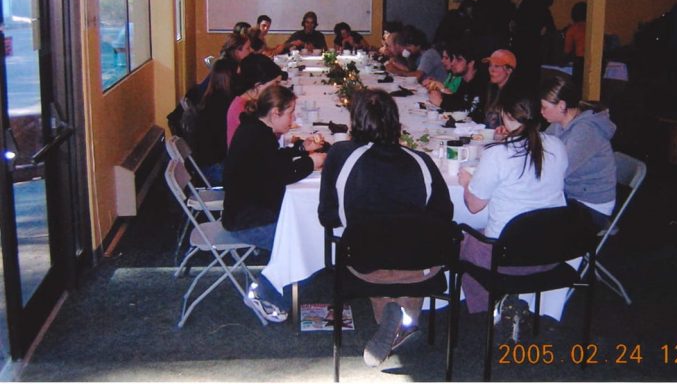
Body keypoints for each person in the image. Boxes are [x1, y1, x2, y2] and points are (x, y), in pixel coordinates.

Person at [318, 89, 453, 368]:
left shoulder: (341, 155)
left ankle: (392, 316)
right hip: (419, 266)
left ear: (355, 122)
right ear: (396, 122)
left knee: (377, 248)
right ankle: (405, 319)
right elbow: (444, 215)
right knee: (407, 250)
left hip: (365, 263)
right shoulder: (422, 161)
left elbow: (328, 217)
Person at [457, 94, 568, 318]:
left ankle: (491, 310)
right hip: (550, 250)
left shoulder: (497, 154)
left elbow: (474, 206)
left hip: (505, 256)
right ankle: (507, 305)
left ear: (506, 116)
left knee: (460, 239)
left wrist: (467, 182)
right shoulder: (557, 146)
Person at [224, 85, 326, 322]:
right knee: (309, 244)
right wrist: (311, 163)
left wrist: (301, 149)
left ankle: (273, 286)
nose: (293, 118)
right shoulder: (257, 137)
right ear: (274, 114)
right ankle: (265, 293)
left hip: (250, 210)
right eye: (290, 113)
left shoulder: (256, 130)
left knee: (308, 232)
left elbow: (272, 163)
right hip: (247, 221)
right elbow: (282, 174)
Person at [539, 75, 617, 227]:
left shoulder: (585, 131)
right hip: (571, 195)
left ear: (561, 105)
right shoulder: (559, 123)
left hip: (591, 206)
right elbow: (540, 145)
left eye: (544, 107)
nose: (541, 111)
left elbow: (560, 170)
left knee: (531, 217)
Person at [191, 58, 237, 186]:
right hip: (215, 168)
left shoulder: (212, 97)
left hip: (208, 163)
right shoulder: (222, 103)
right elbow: (225, 142)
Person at [226, 53, 283, 146]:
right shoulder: (242, 110)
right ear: (258, 86)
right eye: (276, 83)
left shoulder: (255, 101)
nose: (278, 88)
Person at [563, 1, 587, 87]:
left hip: (580, 60)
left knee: (578, 85)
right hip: (596, 60)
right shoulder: (593, 27)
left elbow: (567, 50)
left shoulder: (573, 29)